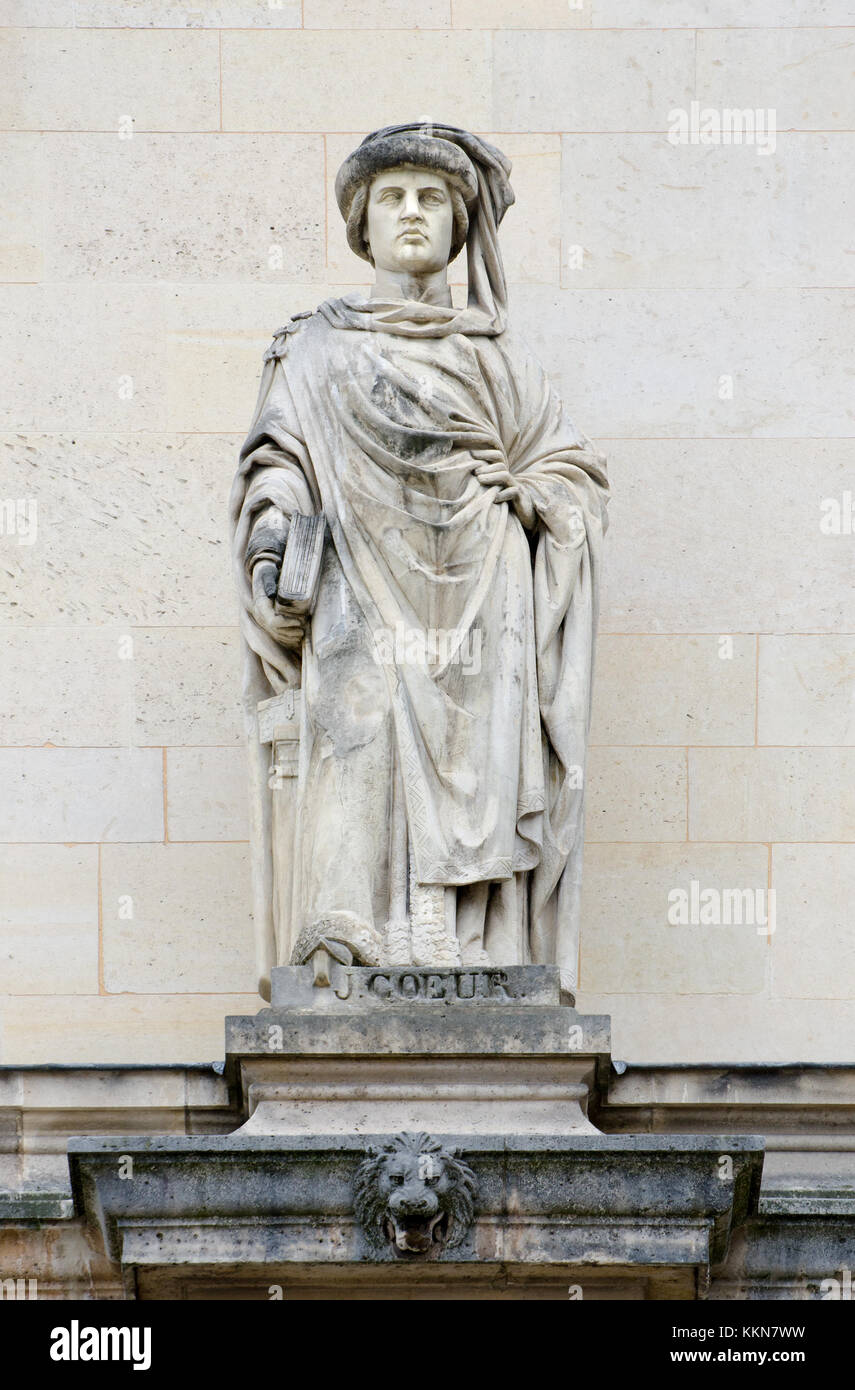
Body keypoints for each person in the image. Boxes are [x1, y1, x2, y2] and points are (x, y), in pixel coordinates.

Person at [230, 123, 608, 997]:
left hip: (485, 593)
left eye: (432, 198)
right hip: (356, 582)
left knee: (481, 758)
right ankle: (345, 934)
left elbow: (567, 469)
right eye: (392, 197)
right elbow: (277, 464)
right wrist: (271, 545)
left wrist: (531, 497)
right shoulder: (315, 349)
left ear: (458, 226)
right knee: (356, 724)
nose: (411, 213)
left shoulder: (496, 361)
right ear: (362, 223)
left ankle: (476, 950)